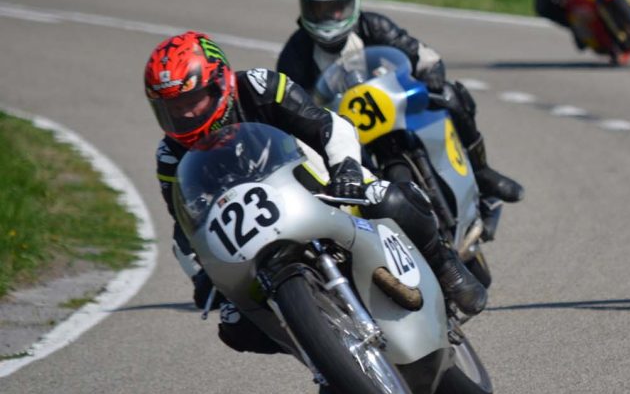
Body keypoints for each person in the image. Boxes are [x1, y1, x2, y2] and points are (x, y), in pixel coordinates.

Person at [145, 31, 488, 359]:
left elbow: (326, 125)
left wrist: (347, 170)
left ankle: (448, 269)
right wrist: (203, 277)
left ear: (220, 81)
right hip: (252, 238)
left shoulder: (260, 87)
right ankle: (322, 355)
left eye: (193, 99)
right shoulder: (170, 155)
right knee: (236, 327)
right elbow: (185, 225)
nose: (186, 113)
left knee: (392, 198)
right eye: (174, 107)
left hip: (320, 185)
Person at [277, 0, 524, 204]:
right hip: (340, 127)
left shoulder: (374, 26)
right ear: (304, 6)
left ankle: (481, 171)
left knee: (452, 95)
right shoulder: (295, 52)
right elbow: (290, 105)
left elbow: (421, 54)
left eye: (337, 7)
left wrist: (431, 74)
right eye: (319, 9)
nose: (330, 16)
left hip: (389, 105)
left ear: (353, 1)